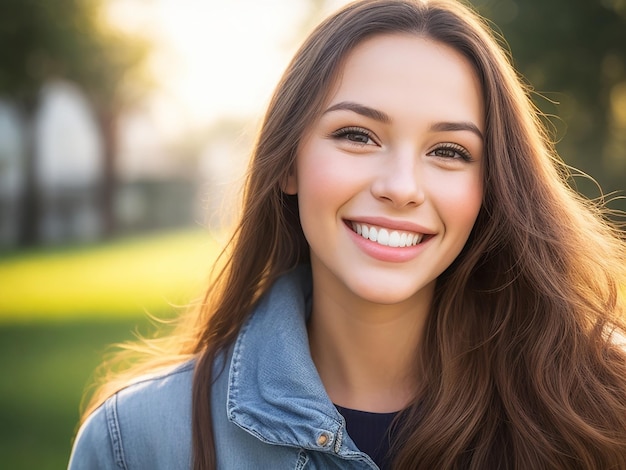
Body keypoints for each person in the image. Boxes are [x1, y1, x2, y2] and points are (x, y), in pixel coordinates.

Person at [68, 0, 626, 468]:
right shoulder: (133, 443)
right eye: (357, 135)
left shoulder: (605, 407)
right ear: (287, 163)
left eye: (449, 151)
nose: (401, 187)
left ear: (493, 188)